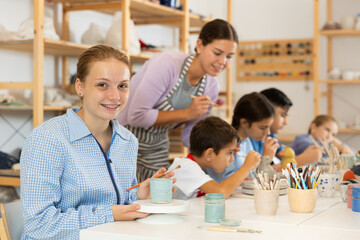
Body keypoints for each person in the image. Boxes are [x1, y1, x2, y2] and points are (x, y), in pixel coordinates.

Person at [20, 45, 173, 239]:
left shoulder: (128, 141)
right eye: (102, 85)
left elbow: (117, 203)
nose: (115, 96)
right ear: (80, 87)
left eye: (122, 86)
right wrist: (109, 214)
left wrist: (139, 196)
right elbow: (39, 224)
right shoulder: (47, 140)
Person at [117, 19, 238, 182]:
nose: (223, 62)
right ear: (200, 45)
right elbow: (136, 116)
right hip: (122, 138)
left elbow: (190, 135)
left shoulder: (211, 88)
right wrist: (187, 114)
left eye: (229, 56)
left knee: (158, 195)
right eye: (217, 53)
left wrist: (218, 149)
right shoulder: (167, 65)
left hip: (156, 145)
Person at [170, 116, 261, 200]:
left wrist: (239, 181)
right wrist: (247, 167)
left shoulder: (198, 167)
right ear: (209, 154)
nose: (232, 159)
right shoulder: (184, 167)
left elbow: (220, 186)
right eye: (229, 153)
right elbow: (220, 193)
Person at [206, 92, 279, 182]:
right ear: (244, 123)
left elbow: (251, 175)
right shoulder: (225, 143)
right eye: (263, 127)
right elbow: (218, 181)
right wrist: (265, 160)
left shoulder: (247, 141)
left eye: (269, 127)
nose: (267, 132)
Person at [250, 88, 323, 167]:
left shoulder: (270, 136)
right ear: (267, 112)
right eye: (282, 115)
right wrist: (302, 159)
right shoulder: (252, 137)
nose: (286, 122)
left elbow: (286, 157)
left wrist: (309, 155)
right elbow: (257, 172)